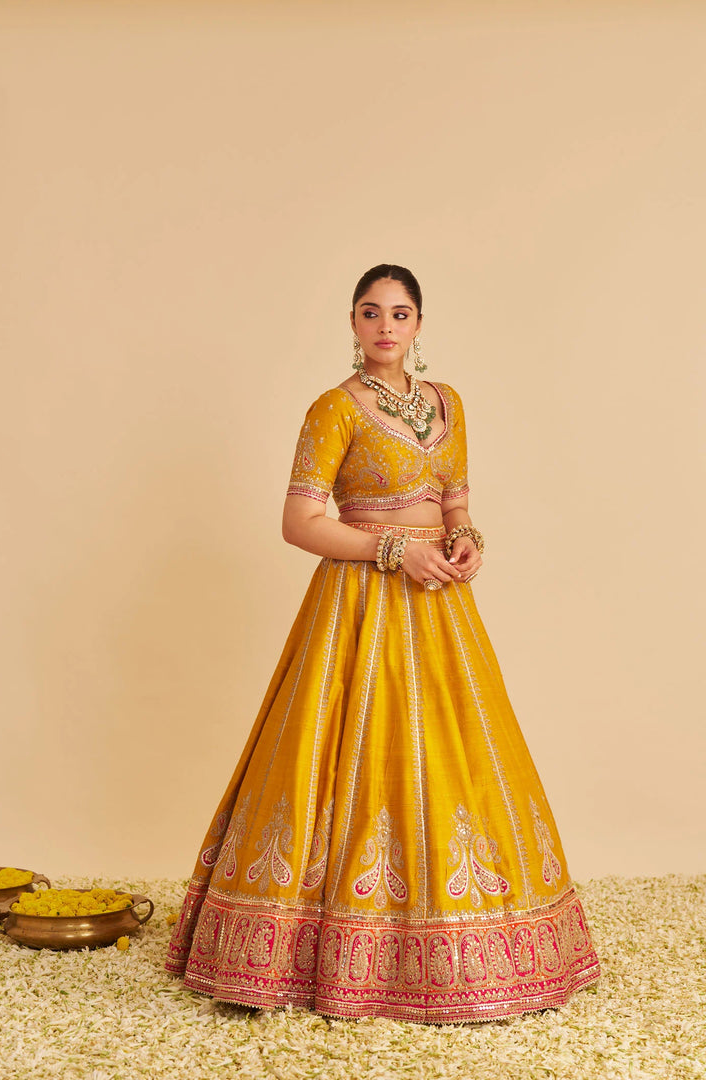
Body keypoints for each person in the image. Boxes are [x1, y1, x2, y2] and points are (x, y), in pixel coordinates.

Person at [165, 264, 601, 1023]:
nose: (386, 326)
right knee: (346, 751)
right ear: (354, 324)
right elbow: (299, 522)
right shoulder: (334, 409)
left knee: (455, 753)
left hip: (441, 605)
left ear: (420, 324)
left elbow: (456, 498)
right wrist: (394, 551)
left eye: (400, 313)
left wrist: (465, 540)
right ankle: (313, 952)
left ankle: (463, 944)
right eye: (372, 313)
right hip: (360, 603)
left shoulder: (449, 404)